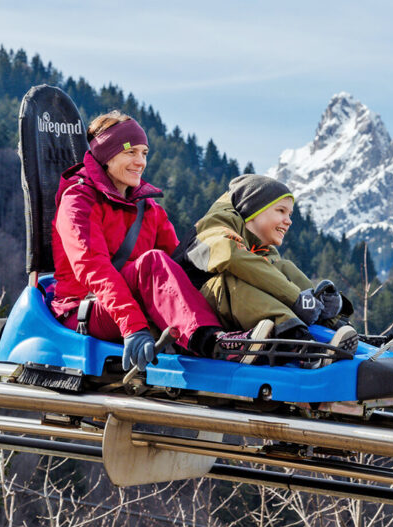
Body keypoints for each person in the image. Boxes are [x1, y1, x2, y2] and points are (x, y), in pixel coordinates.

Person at [50, 112, 272, 371]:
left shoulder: (148, 208)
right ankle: (213, 344)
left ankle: (262, 332)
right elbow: (95, 270)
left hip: (131, 304)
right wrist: (133, 327)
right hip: (86, 308)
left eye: (144, 153)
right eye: (130, 152)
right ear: (106, 155)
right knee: (152, 261)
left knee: (212, 268)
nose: (140, 162)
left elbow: (179, 268)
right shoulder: (78, 201)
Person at [173, 174, 358, 368]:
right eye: (281, 211)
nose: (288, 221)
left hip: (231, 314)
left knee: (283, 268)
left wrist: (319, 303)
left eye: (290, 214)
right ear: (253, 208)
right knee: (234, 279)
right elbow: (231, 255)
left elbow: (275, 276)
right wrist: (296, 298)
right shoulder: (215, 225)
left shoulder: (260, 246)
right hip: (195, 320)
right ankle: (295, 341)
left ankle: (335, 326)